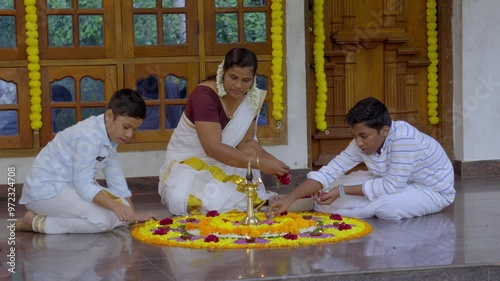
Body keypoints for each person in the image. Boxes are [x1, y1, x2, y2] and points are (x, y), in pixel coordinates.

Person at [266, 97, 455, 220]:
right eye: (355, 136)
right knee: (330, 185)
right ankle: (321, 202)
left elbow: (392, 187)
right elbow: (331, 170)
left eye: (363, 136)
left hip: (431, 191)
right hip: (394, 182)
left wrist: (342, 191)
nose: (358, 143)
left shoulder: (404, 140)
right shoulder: (362, 141)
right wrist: (289, 199)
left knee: (387, 208)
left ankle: (355, 208)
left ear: (385, 131)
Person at [158, 47, 290, 215]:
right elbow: (212, 148)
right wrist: (260, 164)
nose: (238, 86)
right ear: (223, 71)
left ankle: (247, 201)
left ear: (253, 79)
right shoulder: (204, 97)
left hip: (226, 162)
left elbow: (246, 143)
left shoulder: (252, 98)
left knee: (245, 190)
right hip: (188, 165)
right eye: (233, 77)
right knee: (183, 199)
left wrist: (275, 164)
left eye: (246, 80)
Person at [17, 88, 155, 234]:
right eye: (126, 127)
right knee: (105, 221)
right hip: (46, 191)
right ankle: (32, 222)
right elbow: (84, 186)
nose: (129, 135)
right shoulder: (88, 136)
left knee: (119, 209)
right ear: (109, 116)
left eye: (134, 129)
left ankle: (48, 217)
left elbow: (116, 178)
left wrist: (131, 214)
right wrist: (116, 208)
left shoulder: (111, 135)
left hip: (71, 187)